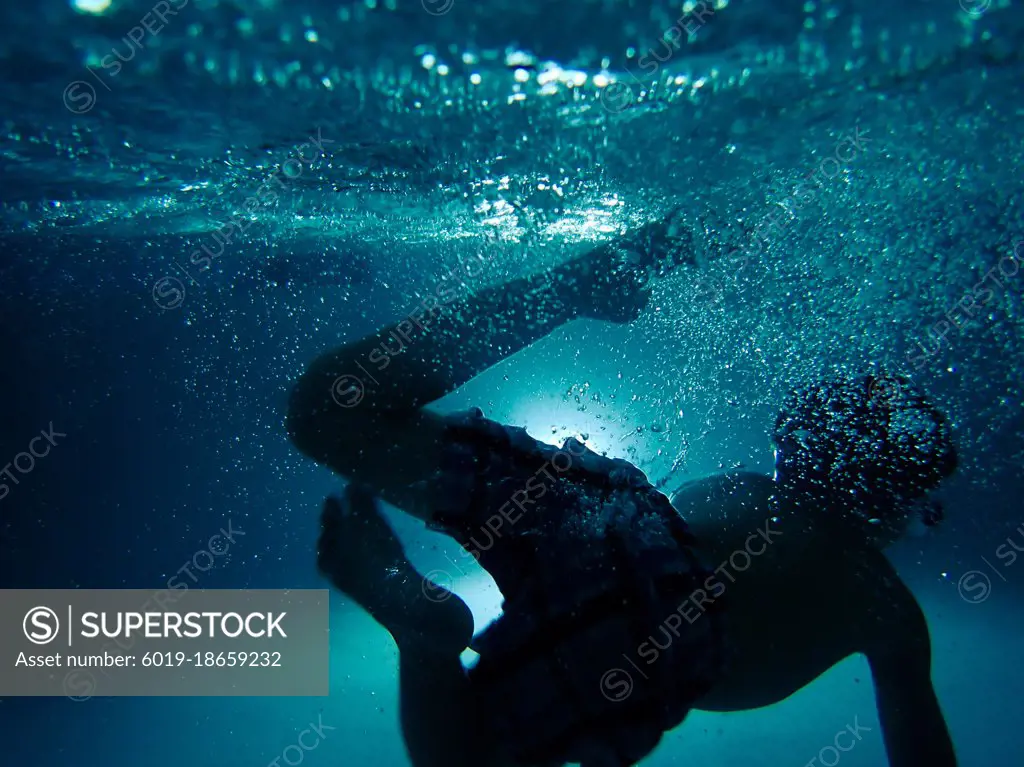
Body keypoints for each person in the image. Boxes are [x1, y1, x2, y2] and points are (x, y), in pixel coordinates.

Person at [287, 214, 959, 767]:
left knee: (329, 410)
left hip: (613, 509)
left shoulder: (756, 490)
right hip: (666, 623)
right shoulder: (887, 608)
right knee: (460, 758)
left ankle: (566, 290)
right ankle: (424, 640)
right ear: (894, 502)